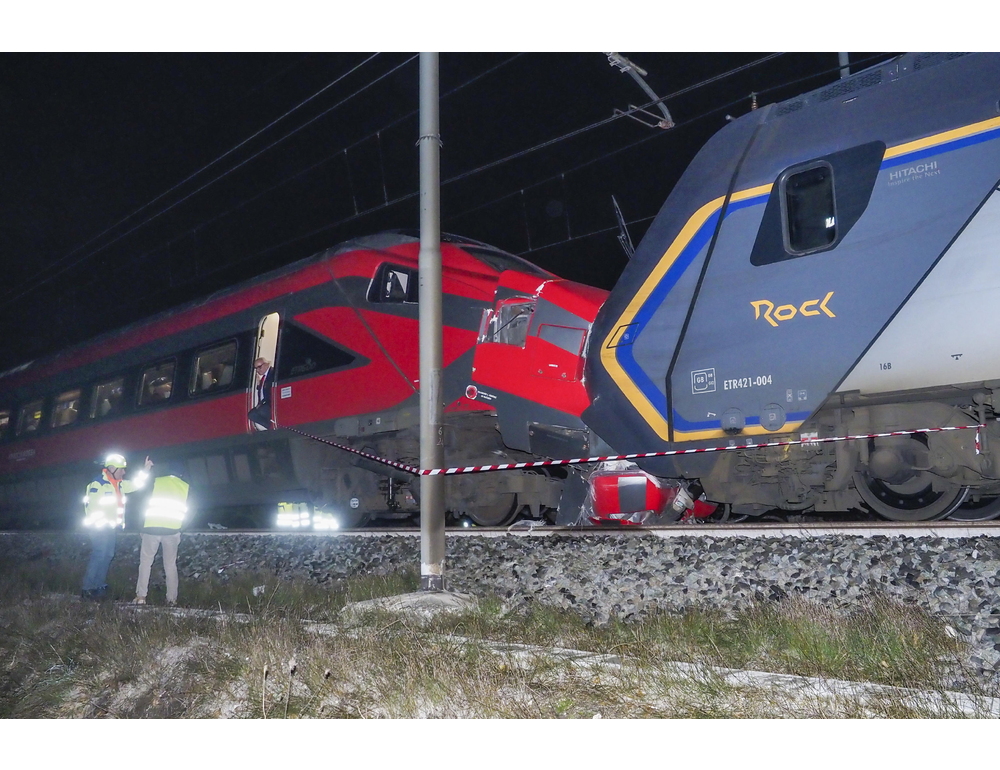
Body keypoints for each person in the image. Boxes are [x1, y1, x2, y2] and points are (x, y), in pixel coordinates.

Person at [81, 453, 153, 600]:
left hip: (110, 528)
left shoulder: (119, 484)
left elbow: (136, 484)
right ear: (112, 468)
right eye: (122, 469)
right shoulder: (98, 484)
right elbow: (92, 507)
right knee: (99, 555)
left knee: (107, 555)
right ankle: (88, 588)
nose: (124, 472)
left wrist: (145, 470)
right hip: (99, 528)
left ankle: (99, 586)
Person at [133, 465, 190, 607]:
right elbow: (191, 511)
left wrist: (141, 527)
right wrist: (180, 528)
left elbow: (141, 504)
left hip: (151, 529)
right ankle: (171, 599)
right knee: (170, 565)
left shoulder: (156, 482)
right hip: (172, 531)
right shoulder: (185, 486)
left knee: (145, 563)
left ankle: (141, 597)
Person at [248, 357, 274, 429]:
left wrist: (262, 404)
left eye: (259, 367)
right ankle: (269, 427)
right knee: (252, 414)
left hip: (269, 403)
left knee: (260, 411)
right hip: (264, 404)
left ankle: (271, 427)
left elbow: (269, 391)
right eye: (256, 368)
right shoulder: (263, 378)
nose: (257, 370)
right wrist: (259, 385)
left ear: (266, 364)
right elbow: (263, 390)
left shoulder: (272, 373)